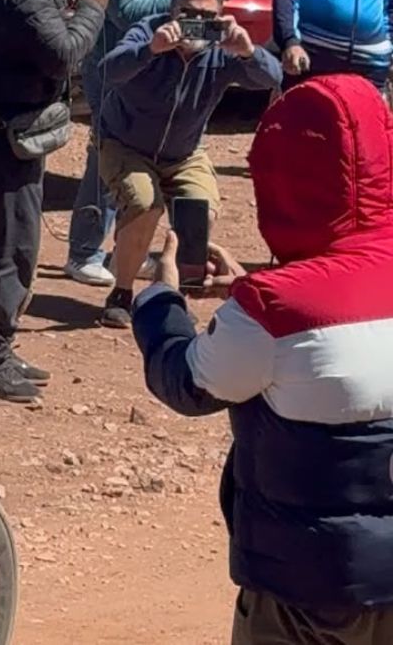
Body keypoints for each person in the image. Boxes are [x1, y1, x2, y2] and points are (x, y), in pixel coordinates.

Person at [132, 74, 393, 645]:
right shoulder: (275, 304)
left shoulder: (274, 310)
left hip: (307, 588)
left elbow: (188, 382)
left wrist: (158, 301)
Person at [0, 0, 108, 401]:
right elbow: (64, 54)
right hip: (7, 136)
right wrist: (95, 4)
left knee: (8, 242)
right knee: (10, 247)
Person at [96, 0, 280, 329]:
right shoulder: (148, 30)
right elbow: (109, 71)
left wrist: (248, 52)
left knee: (200, 209)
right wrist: (150, 50)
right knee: (144, 203)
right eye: (188, 12)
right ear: (171, 10)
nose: (197, 23)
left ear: (220, 16)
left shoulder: (222, 48)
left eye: (207, 16)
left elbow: (271, 78)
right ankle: (121, 292)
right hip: (126, 143)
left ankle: (173, 291)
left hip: (184, 152)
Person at [63, 0, 190, 286]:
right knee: (106, 154)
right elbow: (127, 12)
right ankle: (83, 253)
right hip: (112, 72)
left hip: (152, 75)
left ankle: (126, 253)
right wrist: (185, 0)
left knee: (138, 160)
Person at [274, 0, 393, 91]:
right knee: (303, 109)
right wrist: (290, 41)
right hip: (314, 56)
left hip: (371, 63)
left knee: (367, 110)